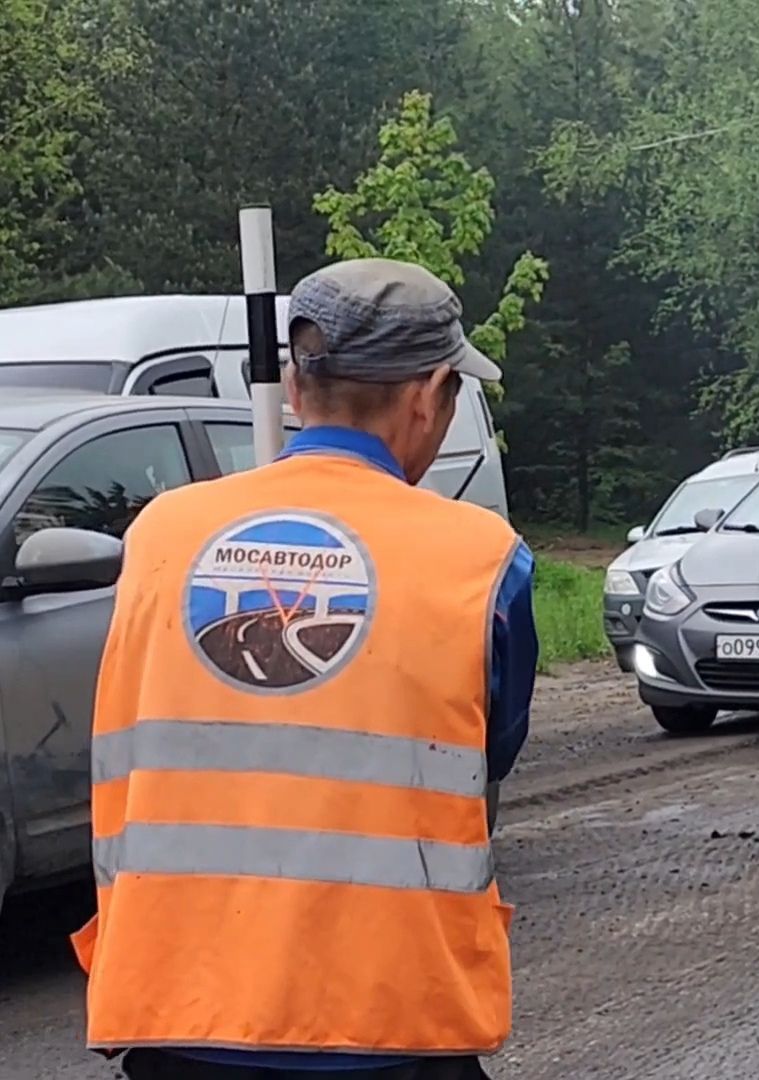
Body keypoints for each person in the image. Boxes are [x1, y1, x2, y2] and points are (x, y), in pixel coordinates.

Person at [71, 258, 538, 1080]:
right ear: (429, 394)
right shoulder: (482, 559)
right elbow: (488, 754)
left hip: (176, 1010)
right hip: (392, 1020)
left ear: (294, 385)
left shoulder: (159, 535)